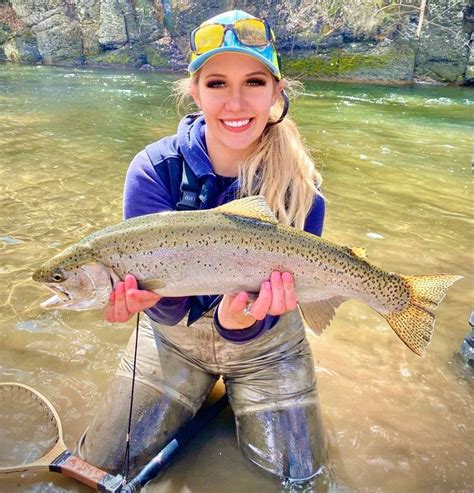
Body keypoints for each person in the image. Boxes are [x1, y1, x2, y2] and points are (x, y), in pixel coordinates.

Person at [78, 9, 327, 484]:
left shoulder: (304, 188)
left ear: (278, 92)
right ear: (194, 91)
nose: (235, 102)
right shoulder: (154, 170)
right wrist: (148, 304)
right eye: (216, 83)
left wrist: (243, 325)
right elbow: (164, 308)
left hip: (268, 349)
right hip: (174, 343)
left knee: (299, 480)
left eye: (254, 82)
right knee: (102, 469)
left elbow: (294, 287)